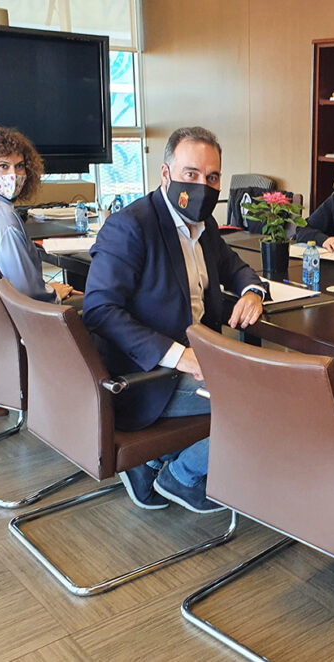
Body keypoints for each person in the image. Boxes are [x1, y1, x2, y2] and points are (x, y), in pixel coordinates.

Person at [83, 126, 265, 513]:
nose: (202, 186)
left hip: (198, 362)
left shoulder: (204, 225)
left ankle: (152, 463)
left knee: (269, 387)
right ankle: (181, 475)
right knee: (261, 402)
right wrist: (178, 355)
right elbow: (99, 310)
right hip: (147, 376)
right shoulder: (131, 226)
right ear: (165, 174)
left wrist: (252, 291)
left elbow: (236, 268)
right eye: (191, 174)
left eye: (212, 177)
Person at [0, 126, 78, 306]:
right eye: (3, 166)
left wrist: (45, 288)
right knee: (93, 304)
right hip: (16, 313)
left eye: (19, 166)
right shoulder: (5, 220)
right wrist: (54, 294)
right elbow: (26, 294)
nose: (13, 175)